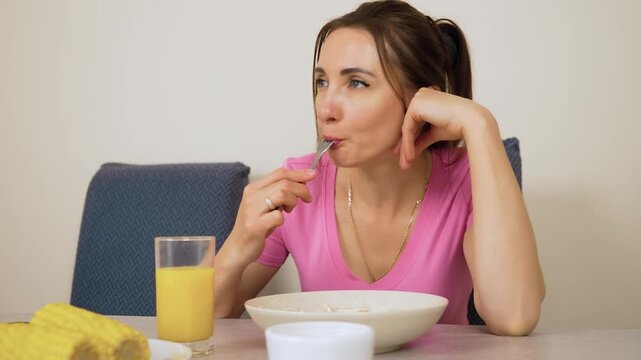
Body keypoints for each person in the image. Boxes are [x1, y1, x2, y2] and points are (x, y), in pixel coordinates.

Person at [214, 0, 545, 335]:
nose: (326, 108)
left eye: (357, 83)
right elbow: (205, 318)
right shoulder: (296, 188)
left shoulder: (467, 181)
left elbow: (514, 316)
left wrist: (479, 123)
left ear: (423, 100)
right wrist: (238, 244)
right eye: (321, 82)